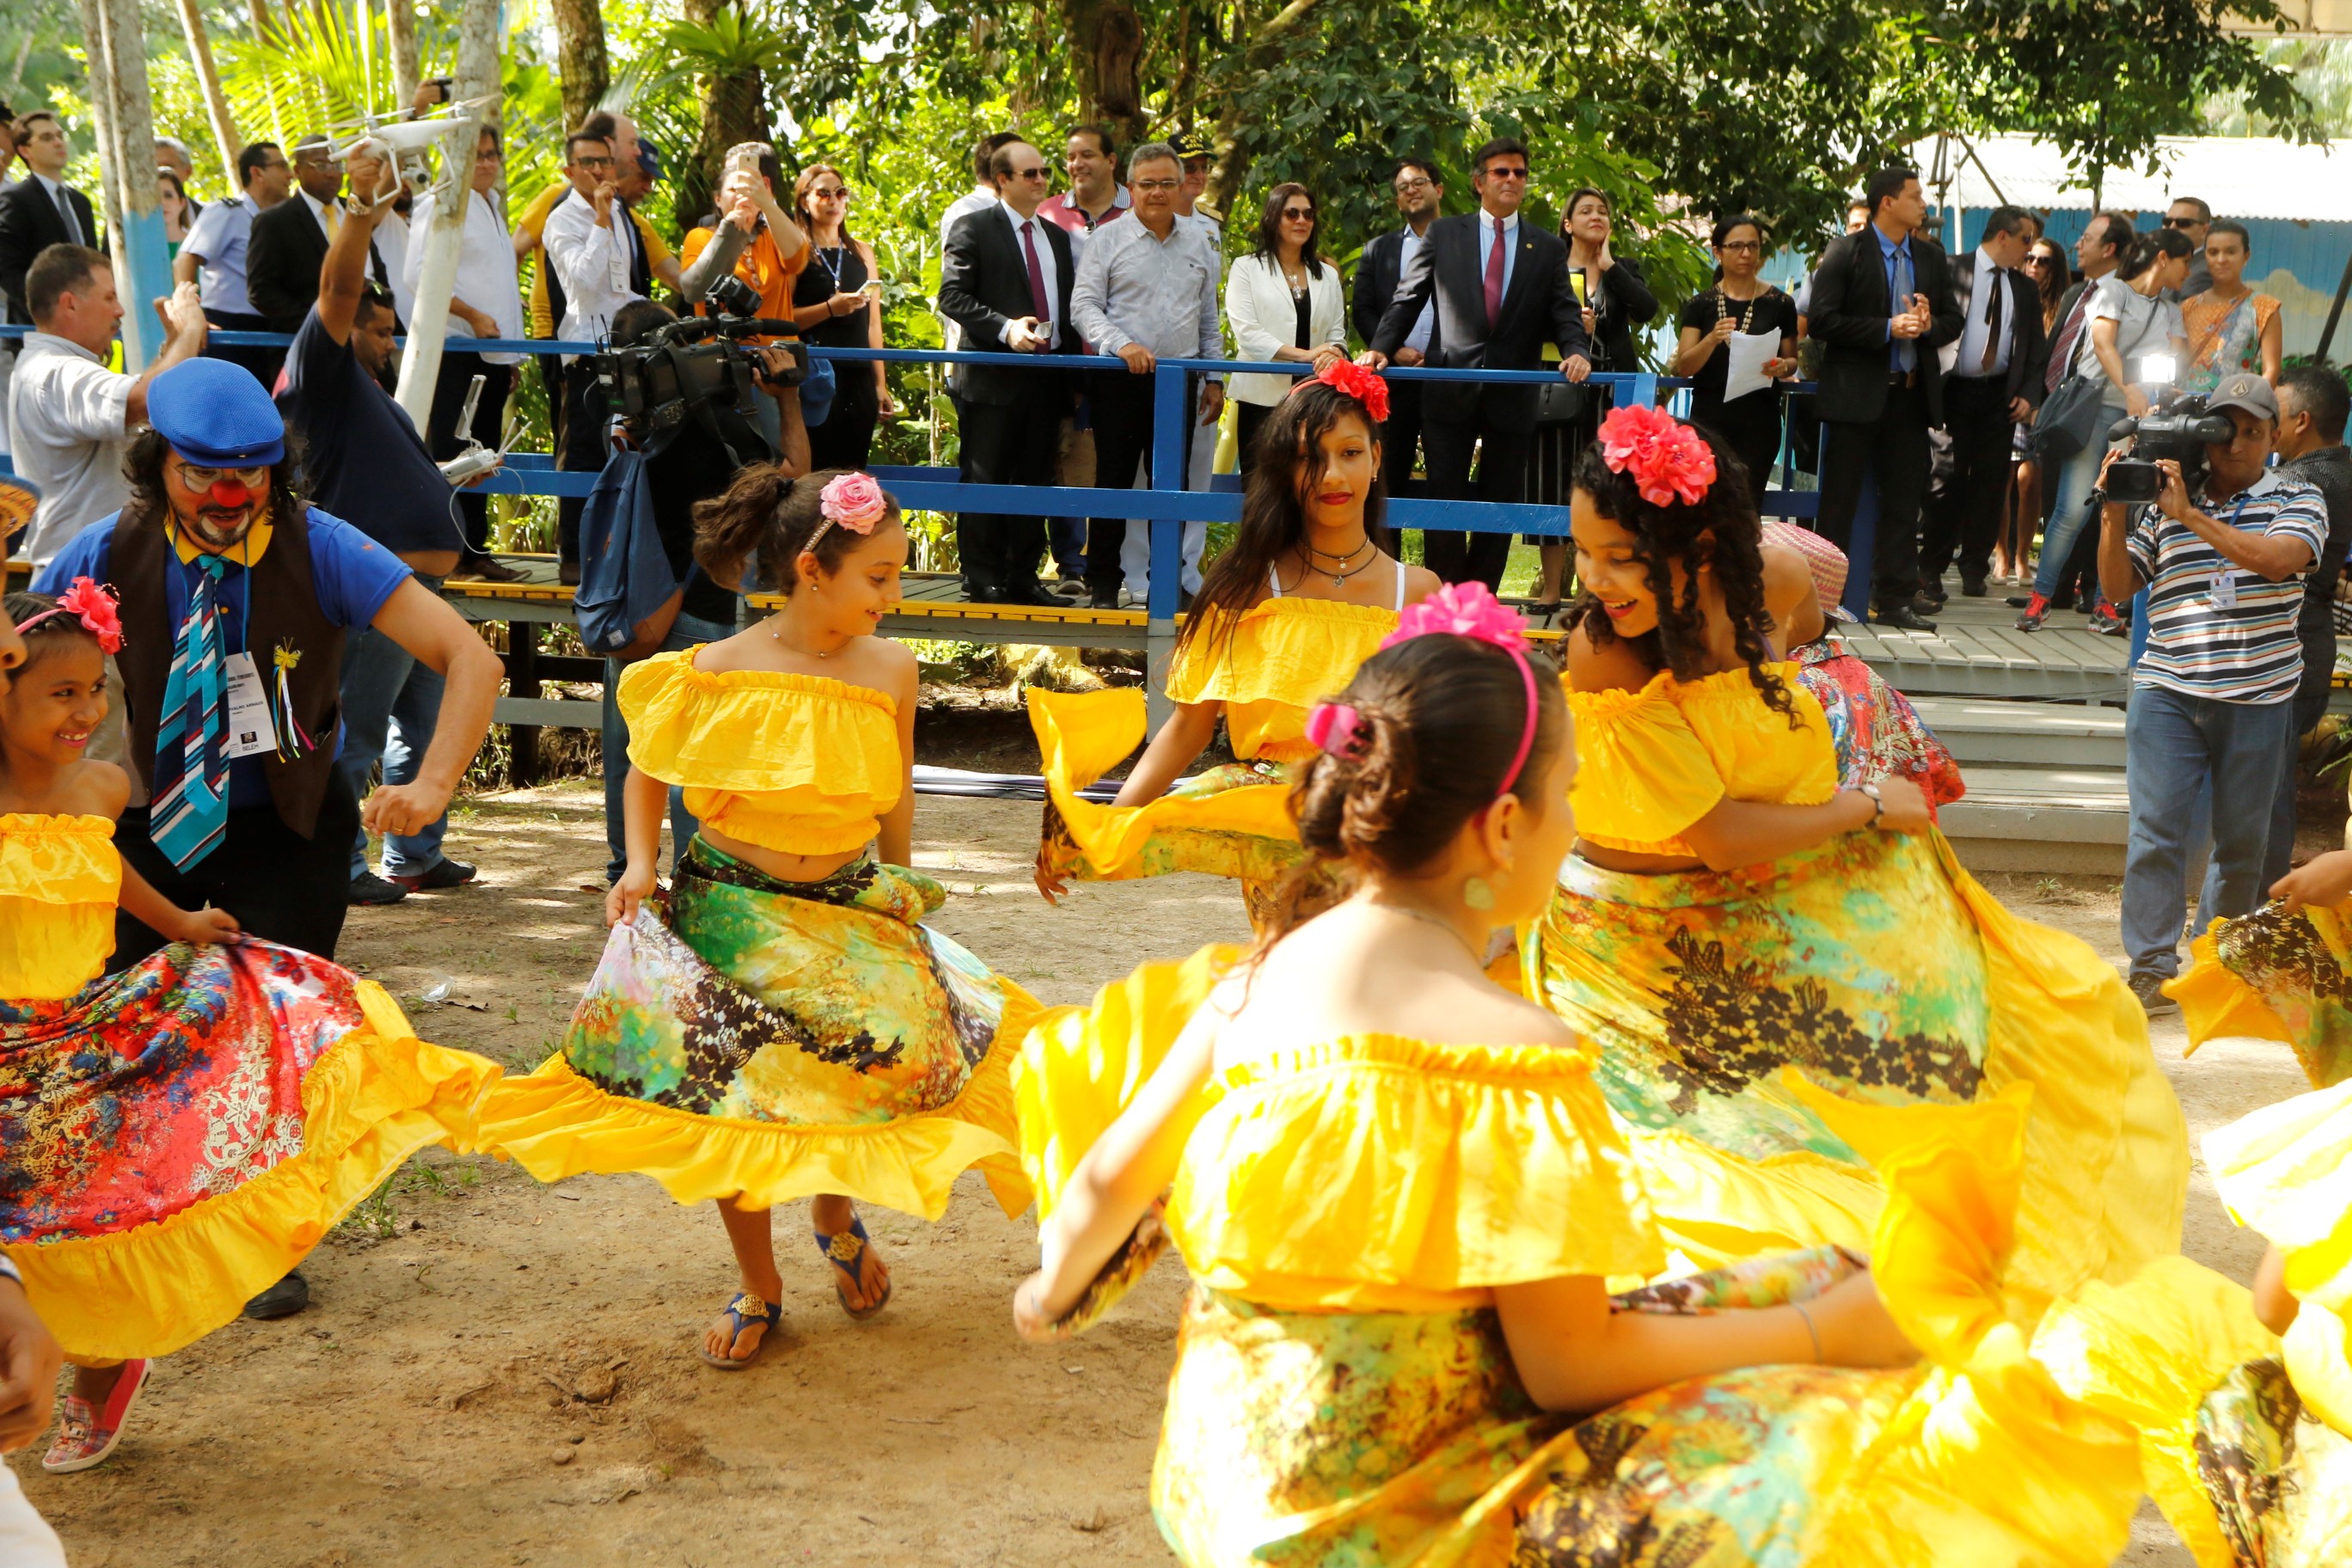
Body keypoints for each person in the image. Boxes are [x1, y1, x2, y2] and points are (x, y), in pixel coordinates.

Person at [1013, 590, 2141, 1565]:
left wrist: (1050, 1293)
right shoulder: (1511, 1056)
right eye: (1572, 799)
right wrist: (1824, 1338)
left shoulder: (1254, 988)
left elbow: (1109, 1182)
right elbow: (1567, 1367)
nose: (1577, 833)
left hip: (1227, 1475)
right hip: (1386, 1517)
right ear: (1505, 827)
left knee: (1787, 1277)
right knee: (1837, 1434)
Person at [1528, 404, 2186, 1309]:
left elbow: (1773, 754)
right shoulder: (1605, 652)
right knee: (1739, 1189)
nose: (1596, 579)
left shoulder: (1780, 586)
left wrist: (1861, 812)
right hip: (1632, 949)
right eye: (1584, 553)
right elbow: (1717, 835)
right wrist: (1866, 805)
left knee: (2008, 1046)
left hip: (1761, 912)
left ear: (1700, 542)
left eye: (1622, 556)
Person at [472, 470, 1044, 1367]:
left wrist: (900, 888)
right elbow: (646, 771)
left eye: (899, 574)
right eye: (881, 576)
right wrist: (640, 862)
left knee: (882, 1068)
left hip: (850, 909)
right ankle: (760, 1285)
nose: (896, 596)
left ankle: (834, 1216)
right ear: (813, 570)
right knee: (738, 1103)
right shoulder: (714, 669)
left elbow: (895, 802)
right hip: (729, 914)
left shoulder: (891, 669)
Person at [0, 583, 498, 1472]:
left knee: (98, 1216)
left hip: (80, 1034)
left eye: (95, 690)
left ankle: (101, 1372)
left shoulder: (104, 786)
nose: (85, 711)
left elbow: (102, 869)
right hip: (6, 1049)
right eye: (59, 693)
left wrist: (182, 922)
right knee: (25, 1231)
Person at [34, 358, 501, 977]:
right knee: (118, 1013)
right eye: (199, 473)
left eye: (249, 472)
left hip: (290, 825)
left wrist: (433, 784)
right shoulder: (105, 548)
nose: (227, 497)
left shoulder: (325, 547)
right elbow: (18, 651)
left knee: (279, 1020)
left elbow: (472, 657)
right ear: (157, 463)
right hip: (149, 818)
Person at [1031, 364, 1436, 929]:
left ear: (1376, 457)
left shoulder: (1418, 592)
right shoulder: (1249, 586)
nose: (1331, 475)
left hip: (1380, 822)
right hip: (1273, 823)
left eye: (1349, 453)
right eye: (1308, 457)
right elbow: (1188, 728)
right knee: (1295, 983)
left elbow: (1443, 735)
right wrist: (1109, 827)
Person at [273, 146, 481, 904]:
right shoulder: (319, 371)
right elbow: (337, 287)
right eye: (379, 331)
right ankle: (338, 863)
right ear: (344, 328)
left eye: (394, 331)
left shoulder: (365, 395)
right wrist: (361, 209)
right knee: (352, 733)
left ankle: (415, 852)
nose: (390, 342)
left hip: (419, 587)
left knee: (416, 730)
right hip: (373, 589)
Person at [2092, 373, 2325, 1017]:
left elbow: (2278, 560)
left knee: (2241, 842)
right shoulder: (2162, 501)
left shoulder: (2298, 498)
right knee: (2155, 832)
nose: (2238, 445)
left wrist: (2191, 517)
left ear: (2275, 436)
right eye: (2227, 431)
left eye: (2254, 431)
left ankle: (2215, 963)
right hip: (2168, 687)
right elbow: (2117, 588)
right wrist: (2115, 510)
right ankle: (2151, 967)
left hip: (2259, 695)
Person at [591, 297, 810, 888]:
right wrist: (784, 397)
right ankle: (697, 883)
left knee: (631, 755)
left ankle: (624, 873)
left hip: (634, 613)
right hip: (700, 616)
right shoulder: (713, 427)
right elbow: (792, 473)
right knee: (697, 761)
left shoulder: (618, 416)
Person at [1360, 137, 1593, 591]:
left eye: (1520, 173)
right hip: (1449, 388)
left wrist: (1577, 350)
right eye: (1501, 172)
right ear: (1478, 181)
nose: (1512, 179)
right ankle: (1443, 597)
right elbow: (1409, 297)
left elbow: (1563, 311)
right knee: (1442, 500)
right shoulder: (1446, 234)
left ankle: (1480, 598)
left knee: (1499, 504)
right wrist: (1382, 348)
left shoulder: (1546, 248)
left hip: (1513, 393)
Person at [1806, 168, 1963, 631]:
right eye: (1915, 197)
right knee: (1839, 502)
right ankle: (1819, 604)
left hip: (1910, 399)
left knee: (1903, 502)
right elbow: (1821, 321)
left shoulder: (1932, 258)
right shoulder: (1845, 252)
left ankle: (1895, 599)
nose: (1924, 205)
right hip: (1855, 397)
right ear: (1887, 203)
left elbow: (1954, 320)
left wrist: (1929, 324)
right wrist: (1885, 328)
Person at [1069, 142, 1224, 610]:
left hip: (1180, 379)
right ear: (1130, 187)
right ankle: (1102, 584)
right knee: (1114, 480)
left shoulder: (1200, 241)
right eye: (1148, 184)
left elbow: (1208, 318)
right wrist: (1123, 345)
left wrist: (1214, 377)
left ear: (1181, 188)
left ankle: (1167, 581)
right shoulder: (1107, 239)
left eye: (1167, 184)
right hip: (1121, 376)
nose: (1158, 193)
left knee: (1170, 485)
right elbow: (1083, 307)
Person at [2016, 225, 2192, 634]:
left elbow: (2180, 356)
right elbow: (2102, 345)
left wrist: (2168, 378)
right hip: (2097, 409)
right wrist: (2130, 389)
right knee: (2073, 509)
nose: (2189, 270)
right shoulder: (2113, 292)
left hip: (2139, 417)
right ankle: (2040, 599)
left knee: (2123, 510)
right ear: (2163, 258)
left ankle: (2107, 604)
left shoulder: (2169, 308)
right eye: (2186, 261)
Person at [938, 139, 1081, 606]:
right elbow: (952, 298)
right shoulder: (973, 227)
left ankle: (1025, 577)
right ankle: (981, 578)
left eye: (1044, 172)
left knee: (1035, 480)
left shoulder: (1056, 236)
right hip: (993, 378)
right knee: (986, 478)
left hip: (1047, 378)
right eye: (1031, 174)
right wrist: (1005, 330)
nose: (1042, 181)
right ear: (1003, 180)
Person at [543, 119, 686, 582]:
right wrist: (601, 220)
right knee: (582, 452)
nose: (600, 171)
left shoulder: (623, 212)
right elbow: (581, 285)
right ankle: (573, 557)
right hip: (586, 349)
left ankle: (619, 552)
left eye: (605, 161)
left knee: (627, 448)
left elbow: (625, 285)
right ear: (570, 171)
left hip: (625, 350)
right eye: (588, 163)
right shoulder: (562, 219)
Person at [6, 248, 207, 567]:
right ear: (70, 303)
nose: (120, 310)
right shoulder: (56, 371)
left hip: (89, 567)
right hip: (86, 576)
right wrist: (192, 329)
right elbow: (141, 400)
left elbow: (134, 396)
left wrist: (173, 344)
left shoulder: (47, 368)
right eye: (109, 298)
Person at [402, 124, 527, 585]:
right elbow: (418, 275)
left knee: (486, 456)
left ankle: (476, 551)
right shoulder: (438, 201)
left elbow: (498, 284)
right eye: (479, 156)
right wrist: (472, 316)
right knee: (454, 456)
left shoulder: (491, 205)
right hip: (455, 349)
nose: (489, 163)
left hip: (492, 353)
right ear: (457, 160)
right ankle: (448, 552)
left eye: (494, 154)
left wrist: (510, 354)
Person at [1526, 187, 1660, 611]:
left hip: (1612, 390)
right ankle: (1552, 590)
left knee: (1607, 484)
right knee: (1552, 482)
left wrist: (1609, 266)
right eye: (1585, 211)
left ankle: (1594, 590)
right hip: (1559, 384)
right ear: (1567, 223)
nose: (1595, 216)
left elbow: (1646, 310)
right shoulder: (1549, 269)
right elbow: (1522, 326)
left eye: (1602, 210)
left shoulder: (1623, 268)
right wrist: (1567, 329)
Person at [1919, 205, 2049, 602]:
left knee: (1992, 483)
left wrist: (2028, 394)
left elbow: (2035, 351)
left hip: (1999, 396)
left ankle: (1975, 566)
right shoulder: (1950, 270)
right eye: (2026, 240)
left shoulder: (2024, 288)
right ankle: (1931, 567)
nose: (2029, 252)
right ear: (2003, 237)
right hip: (1952, 389)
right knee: (1947, 478)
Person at [2265, 365, 2352, 884]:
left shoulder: (2300, 479)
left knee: (2266, 791)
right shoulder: (2340, 470)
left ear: (2300, 421)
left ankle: (2263, 900)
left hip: (2289, 645)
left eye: (2268, 414)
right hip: (2311, 642)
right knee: (2269, 786)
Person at [677, 141, 812, 460]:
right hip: (721, 368)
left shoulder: (772, 236)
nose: (741, 196)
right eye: (733, 190)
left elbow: (798, 259)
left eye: (748, 188)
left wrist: (765, 203)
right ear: (717, 199)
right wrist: (730, 230)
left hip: (774, 367)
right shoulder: (701, 237)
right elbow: (695, 289)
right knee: (733, 460)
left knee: (779, 460)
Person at [1673, 214, 1799, 499]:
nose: (1746, 254)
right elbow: (1685, 366)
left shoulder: (1780, 303)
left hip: (1759, 419)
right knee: (1706, 502)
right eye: (1737, 246)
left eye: (1753, 246)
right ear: (1718, 252)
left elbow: (1792, 359)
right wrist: (1711, 338)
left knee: (1747, 504)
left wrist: (1782, 366)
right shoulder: (1700, 304)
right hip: (1709, 418)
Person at [1222, 183, 1346, 472]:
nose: (1302, 220)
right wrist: (1306, 355)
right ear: (1273, 217)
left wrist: (1335, 353)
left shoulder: (1327, 274)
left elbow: (1337, 333)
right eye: (1292, 213)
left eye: (1308, 214)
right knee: (1260, 491)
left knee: (1309, 486)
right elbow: (1248, 333)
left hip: (1314, 398)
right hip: (1261, 397)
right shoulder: (1246, 268)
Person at [788, 162, 895, 471]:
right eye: (823, 193)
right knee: (816, 473)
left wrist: (880, 383)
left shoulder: (862, 251)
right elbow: (784, 319)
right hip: (815, 374)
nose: (834, 201)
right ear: (804, 201)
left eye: (840, 192)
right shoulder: (796, 252)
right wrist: (829, 309)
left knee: (854, 471)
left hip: (857, 373)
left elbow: (874, 323)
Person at [246, 135, 400, 338]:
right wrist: (319, 327)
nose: (332, 174)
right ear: (298, 171)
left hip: (372, 338)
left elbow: (376, 271)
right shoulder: (274, 221)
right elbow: (261, 291)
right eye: (321, 166)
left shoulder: (356, 209)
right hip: (314, 341)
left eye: (337, 166)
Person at [1351, 157, 1442, 498]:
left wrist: (1438, 352)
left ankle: (1443, 554)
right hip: (1392, 383)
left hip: (1445, 378)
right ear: (1397, 202)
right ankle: (1385, 552)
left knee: (1446, 484)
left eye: (1419, 182)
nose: (1411, 191)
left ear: (1438, 189)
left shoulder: (1464, 246)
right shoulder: (1378, 250)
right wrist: (1393, 349)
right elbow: (1362, 310)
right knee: (1386, 480)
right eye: (1403, 188)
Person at [175, 140, 293, 389]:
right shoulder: (227, 212)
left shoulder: (284, 220)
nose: (290, 174)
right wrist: (189, 311)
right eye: (281, 166)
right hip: (230, 328)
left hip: (273, 328)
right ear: (256, 172)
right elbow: (186, 258)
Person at [1997, 236, 2073, 584]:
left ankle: (2023, 556)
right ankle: (2001, 555)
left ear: (2055, 268)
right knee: (2002, 480)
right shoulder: (2014, 295)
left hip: (2047, 405)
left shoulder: (2064, 307)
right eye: (2030, 258)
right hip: (2014, 400)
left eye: (2044, 260)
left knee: (2030, 482)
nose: (2035, 265)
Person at [0, 113, 101, 330]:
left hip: (87, 323)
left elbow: (92, 261)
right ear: (24, 150)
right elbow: (7, 270)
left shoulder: (80, 202)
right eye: (46, 138)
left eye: (59, 135)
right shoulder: (15, 200)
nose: (57, 142)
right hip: (36, 330)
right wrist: (47, 313)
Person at [2181, 220, 2283, 395]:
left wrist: (2246, 403)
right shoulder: (2188, 307)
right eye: (2213, 252)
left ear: (2246, 255)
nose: (2221, 260)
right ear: (2205, 256)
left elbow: (2271, 372)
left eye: (2230, 251)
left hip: (2233, 410)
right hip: (2185, 410)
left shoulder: (2264, 307)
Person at [1039, 125, 1131, 240]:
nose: (1077, 164)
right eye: (1071, 158)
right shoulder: (1046, 214)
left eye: (1087, 156)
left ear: (1111, 161)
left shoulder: (1140, 207)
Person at [2163, 194, 2213, 300]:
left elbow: (2184, 315)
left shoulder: (2204, 273)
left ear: (2204, 230)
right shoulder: (2158, 263)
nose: (2172, 227)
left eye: (2183, 223)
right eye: (2167, 222)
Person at [156, 172, 193, 260]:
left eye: (168, 195)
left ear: (182, 203)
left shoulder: (197, 245)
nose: (162, 202)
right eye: (155, 196)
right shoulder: (136, 246)